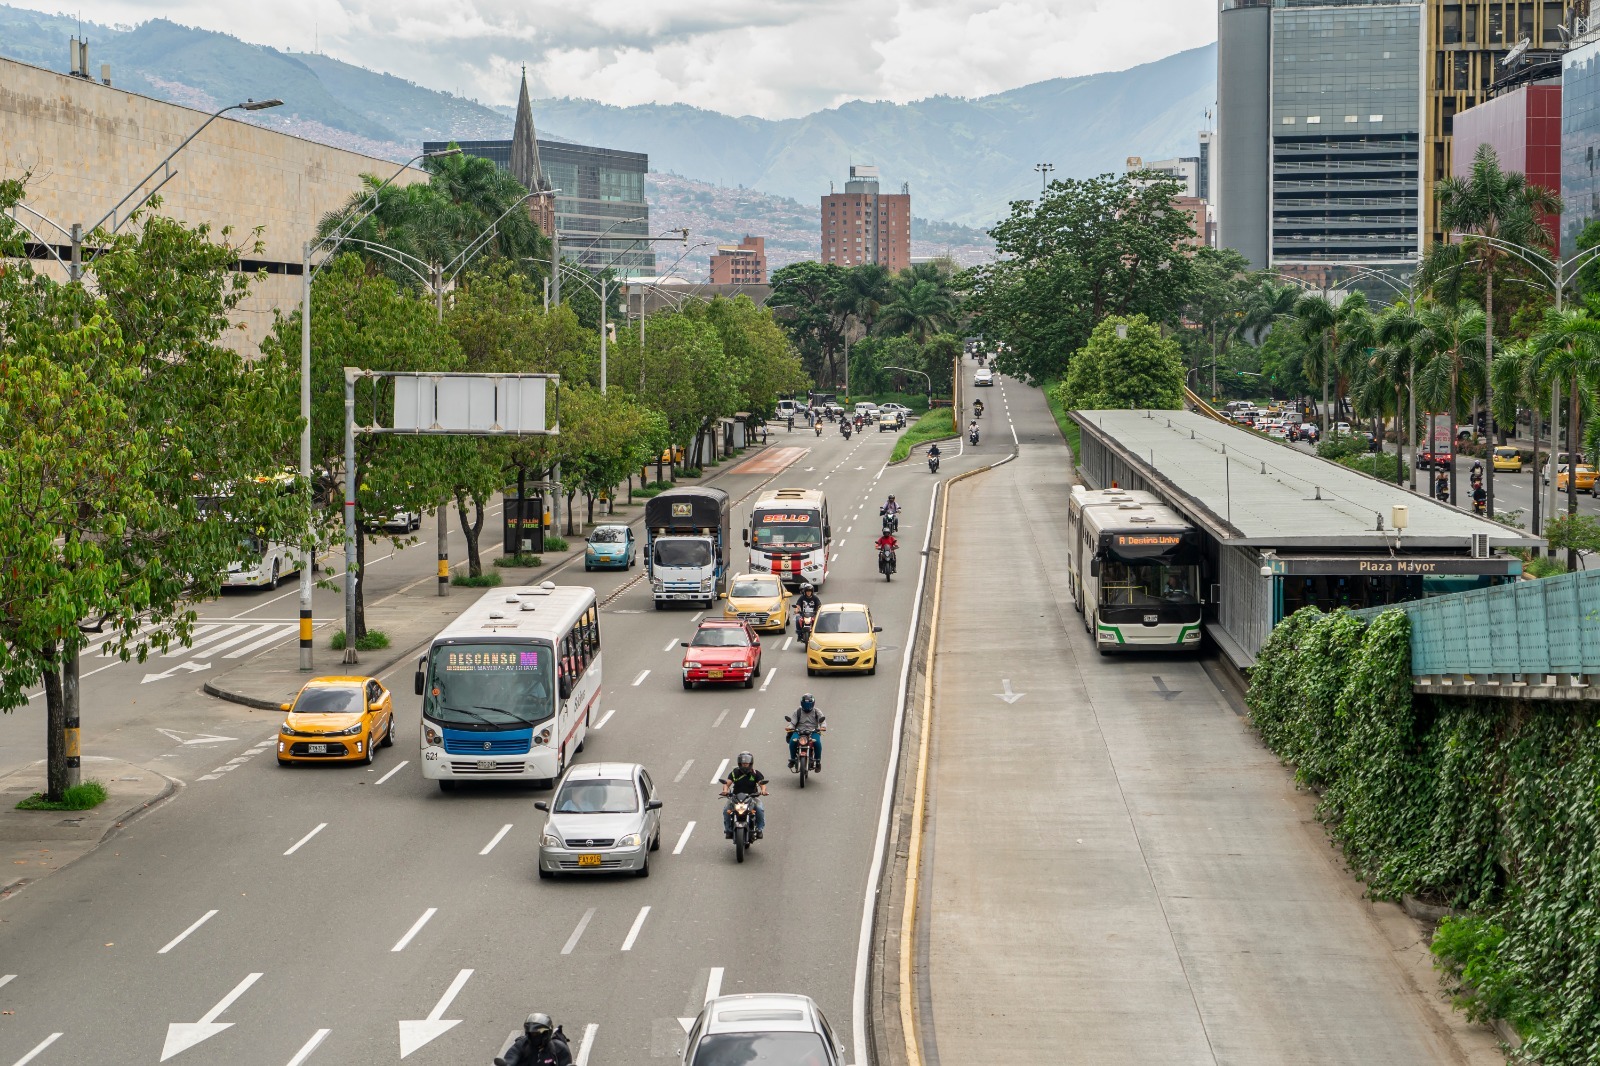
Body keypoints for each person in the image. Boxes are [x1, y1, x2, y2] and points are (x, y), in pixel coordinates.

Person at [720, 751, 768, 838]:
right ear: (739, 763)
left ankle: (759, 829)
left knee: (759, 809)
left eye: (746, 763)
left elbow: (762, 784)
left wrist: (763, 791)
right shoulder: (734, 773)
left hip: (751, 798)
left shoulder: (756, 773)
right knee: (726, 810)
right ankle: (728, 830)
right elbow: (727, 783)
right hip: (735, 798)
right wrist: (725, 791)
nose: (745, 765)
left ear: (750, 763)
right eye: (743, 763)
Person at [496, 1013, 572, 1066]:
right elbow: (510, 1059)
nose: (533, 1036)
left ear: (547, 1033)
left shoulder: (559, 1049)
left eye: (536, 1034)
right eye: (531, 1033)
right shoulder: (521, 1046)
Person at [787, 693, 826, 771]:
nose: (807, 706)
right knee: (792, 741)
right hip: (799, 731)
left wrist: (823, 727)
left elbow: (823, 721)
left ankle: (818, 762)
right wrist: (789, 727)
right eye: (805, 704)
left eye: (809, 704)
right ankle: (792, 759)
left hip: (813, 732)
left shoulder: (817, 711)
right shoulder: (797, 711)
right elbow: (792, 723)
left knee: (817, 743)